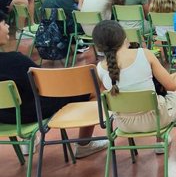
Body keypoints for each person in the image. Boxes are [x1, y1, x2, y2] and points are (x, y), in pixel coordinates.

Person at [0, 10, 108, 158]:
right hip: (30, 114)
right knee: (93, 86)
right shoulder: (16, 60)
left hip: (4, 118)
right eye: (4, 23)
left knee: (21, 93)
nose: (7, 27)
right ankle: (84, 143)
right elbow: (43, 84)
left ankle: (26, 141)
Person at [94, 20, 176, 149]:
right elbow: (172, 87)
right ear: (123, 36)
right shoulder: (144, 53)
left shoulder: (99, 68)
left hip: (124, 125)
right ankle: (160, 139)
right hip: (156, 121)